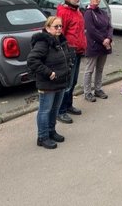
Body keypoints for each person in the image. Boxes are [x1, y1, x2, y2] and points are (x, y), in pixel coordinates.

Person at [27, 16, 71, 150]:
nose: (59, 29)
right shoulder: (43, 42)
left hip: (60, 81)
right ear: (47, 28)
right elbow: (32, 60)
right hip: (48, 83)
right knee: (45, 111)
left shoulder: (60, 41)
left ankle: (51, 131)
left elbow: (65, 57)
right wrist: (49, 73)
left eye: (60, 26)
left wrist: (68, 67)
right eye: (55, 27)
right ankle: (42, 137)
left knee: (55, 109)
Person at [56, 0, 87, 124]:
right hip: (70, 51)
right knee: (67, 83)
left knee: (73, 81)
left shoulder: (77, 11)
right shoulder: (64, 12)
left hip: (78, 51)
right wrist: (65, 51)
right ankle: (60, 111)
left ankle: (68, 105)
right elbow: (60, 34)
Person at [82, 0, 112, 102]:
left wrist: (108, 38)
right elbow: (91, 30)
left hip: (105, 45)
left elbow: (109, 26)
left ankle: (98, 89)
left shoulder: (103, 12)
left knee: (100, 69)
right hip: (94, 45)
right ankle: (87, 92)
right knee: (89, 70)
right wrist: (103, 39)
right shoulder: (88, 13)